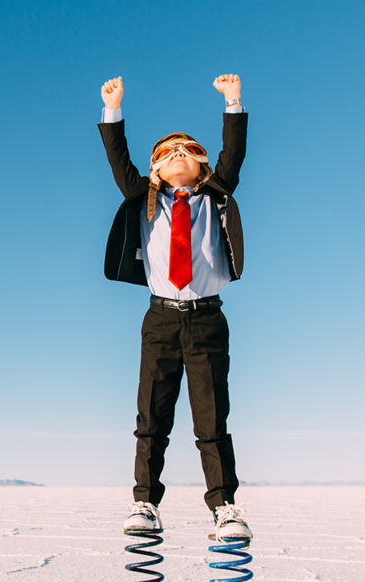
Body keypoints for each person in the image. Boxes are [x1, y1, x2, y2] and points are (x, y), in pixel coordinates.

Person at [98, 74, 251, 542]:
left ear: (203, 165)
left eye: (188, 150)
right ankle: (144, 501)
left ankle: (224, 505)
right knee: (152, 417)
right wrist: (113, 109)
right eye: (167, 153)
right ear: (155, 170)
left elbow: (233, 154)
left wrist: (232, 102)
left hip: (207, 317)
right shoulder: (143, 199)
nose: (178, 155)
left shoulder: (215, 194)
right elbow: (119, 160)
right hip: (160, 318)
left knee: (211, 418)